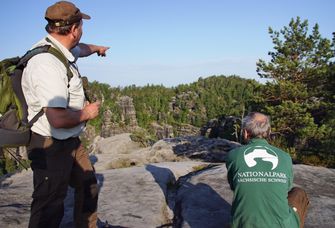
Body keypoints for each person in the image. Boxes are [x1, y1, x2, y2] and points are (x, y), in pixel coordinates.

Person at [21, 1, 109, 227]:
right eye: (81, 25)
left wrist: (98, 48)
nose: (82, 30)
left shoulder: (62, 48)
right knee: (50, 204)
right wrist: (87, 113)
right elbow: (57, 119)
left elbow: (82, 48)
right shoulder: (47, 64)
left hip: (69, 140)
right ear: (74, 29)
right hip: (49, 144)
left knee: (88, 183)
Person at [226, 112, 309, 228]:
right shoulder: (285, 157)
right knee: (299, 193)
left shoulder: (233, 155)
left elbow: (234, 185)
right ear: (269, 132)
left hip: (242, 225)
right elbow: (287, 188)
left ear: (245, 133)